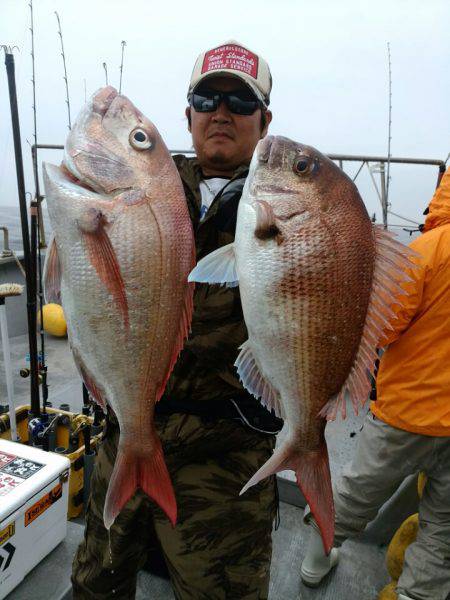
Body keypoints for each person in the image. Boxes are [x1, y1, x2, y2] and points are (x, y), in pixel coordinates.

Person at [72, 40, 283, 600]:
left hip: (225, 456)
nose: (221, 111)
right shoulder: (151, 186)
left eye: (240, 101)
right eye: (206, 97)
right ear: (187, 114)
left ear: (264, 121)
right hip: (126, 431)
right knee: (96, 582)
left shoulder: (286, 205)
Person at [300, 167, 450, 600]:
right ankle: (416, 595)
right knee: (444, 525)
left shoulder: (425, 249)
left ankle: (314, 562)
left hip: (405, 414)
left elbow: (385, 327)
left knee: (357, 493)